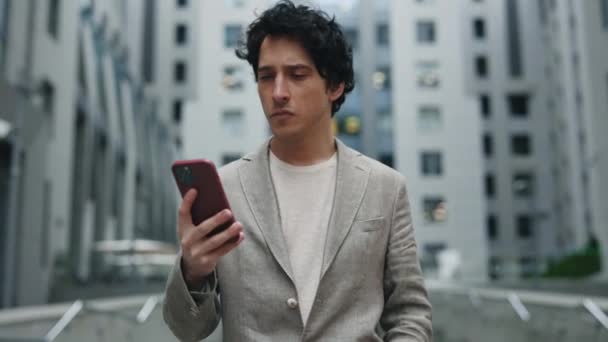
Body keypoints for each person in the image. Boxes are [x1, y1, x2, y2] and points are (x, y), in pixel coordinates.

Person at [162, 1, 432, 341]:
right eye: (266, 77)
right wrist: (193, 271)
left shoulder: (385, 187)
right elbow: (187, 329)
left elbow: (410, 313)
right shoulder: (227, 187)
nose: (277, 93)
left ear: (334, 86)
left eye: (297, 75)